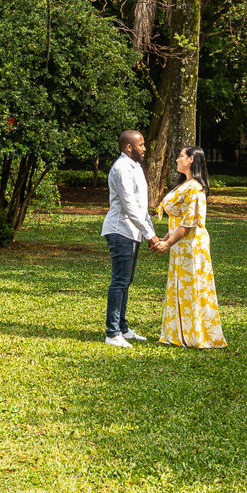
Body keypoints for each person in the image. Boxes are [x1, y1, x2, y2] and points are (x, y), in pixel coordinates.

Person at [153, 147, 226, 349]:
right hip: (181, 244)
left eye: (181, 156)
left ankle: (196, 335)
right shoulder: (185, 185)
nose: (177, 159)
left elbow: (187, 224)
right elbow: (178, 222)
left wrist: (167, 243)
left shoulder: (194, 187)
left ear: (191, 159)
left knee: (193, 287)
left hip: (191, 245)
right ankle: (180, 333)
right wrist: (165, 238)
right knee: (181, 288)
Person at [100, 129, 156, 347]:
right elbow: (129, 206)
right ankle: (112, 333)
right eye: (140, 145)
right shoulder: (122, 168)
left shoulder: (135, 167)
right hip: (120, 229)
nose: (144, 148)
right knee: (119, 281)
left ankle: (122, 327)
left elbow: (142, 207)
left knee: (126, 281)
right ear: (128, 147)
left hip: (132, 231)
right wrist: (151, 236)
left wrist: (150, 231)